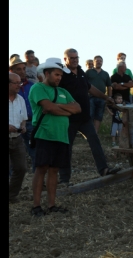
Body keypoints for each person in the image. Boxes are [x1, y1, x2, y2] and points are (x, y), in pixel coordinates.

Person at [58, 48, 119, 185]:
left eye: (76, 58)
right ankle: (64, 179)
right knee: (66, 148)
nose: (75, 60)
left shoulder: (81, 72)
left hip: (85, 118)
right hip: (69, 118)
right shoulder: (62, 75)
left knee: (95, 142)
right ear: (65, 59)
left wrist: (105, 97)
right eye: (72, 58)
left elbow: (90, 88)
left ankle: (103, 169)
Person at [29, 58, 82, 216]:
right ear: (47, 73)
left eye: (61, 75)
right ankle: (36, 206)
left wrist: (57, 107)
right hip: (44, 134)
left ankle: (52, 205)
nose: (59, 77)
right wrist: (66, 110)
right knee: (41, 169)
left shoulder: (64, 92)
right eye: (56, 74)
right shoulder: (38, 88)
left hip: (61, 136)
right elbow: (49, 107)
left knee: (54, 170)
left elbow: (78, 108)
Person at [10, 56, 36, 170]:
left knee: (35, 150)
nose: (22, 71)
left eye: (23, 68)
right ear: (12, 71)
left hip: (28, 122)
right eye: (18, 69)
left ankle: (38, 177)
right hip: (13, 127)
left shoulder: (32, 86)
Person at [9, 72, 28, 204]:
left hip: (17, 138)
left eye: (20, 82)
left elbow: (24, 119)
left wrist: (23, 126)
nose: (19, 85)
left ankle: (11, 194)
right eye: (16, 83)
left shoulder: (20, 99)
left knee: (21, 168)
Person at [85, 55, 112, 133]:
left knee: (99, 116)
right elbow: (84, 84)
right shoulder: (88, 72)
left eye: (100, 61)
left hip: (102, 98)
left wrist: (109, 97)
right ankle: (88, 133)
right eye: (97, 61)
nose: (99, 62)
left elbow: (109, 86)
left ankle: (95, 133)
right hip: (90, 97)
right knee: (90, 115)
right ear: (93, 62)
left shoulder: (105, 73)